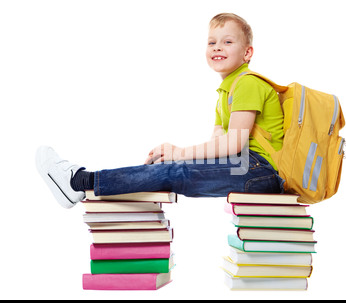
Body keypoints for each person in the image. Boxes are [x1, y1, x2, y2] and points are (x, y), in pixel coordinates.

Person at [36, 13, 285, 209]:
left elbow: (233, 144)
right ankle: (89, 183)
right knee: (173, 170)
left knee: (176, 172)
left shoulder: (248, 83)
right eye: (212, 42)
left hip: (260, 171)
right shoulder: (225, 92)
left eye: (227, 42)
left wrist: (180, 154)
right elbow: (216, 147)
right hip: (245, 166)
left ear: (247, 52)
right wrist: (176, 156)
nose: (217, 47)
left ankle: (79, 182)